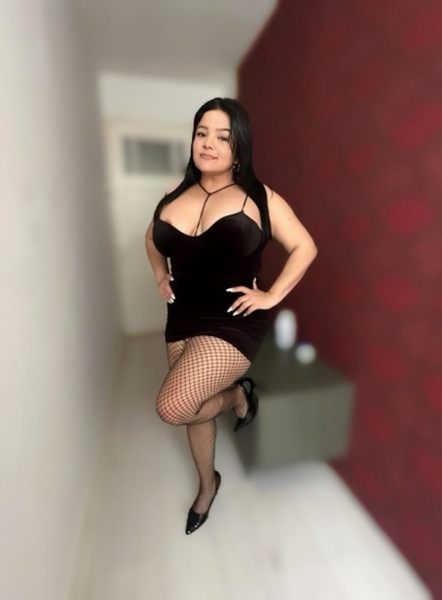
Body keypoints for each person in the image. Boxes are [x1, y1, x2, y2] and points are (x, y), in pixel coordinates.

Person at [145, 97, 317, 535]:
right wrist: (160, 275)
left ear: (239, 147)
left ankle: (240, 395)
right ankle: (208, 486)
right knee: (196, 412)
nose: (208, 143)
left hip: (232, 320)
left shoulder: (259, 197)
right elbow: (152, 238)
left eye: (222, 137)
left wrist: (271, 295)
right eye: (202, 133)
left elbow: (304, 247)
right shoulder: (174, 196)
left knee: (175, 406)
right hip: (182, 318)